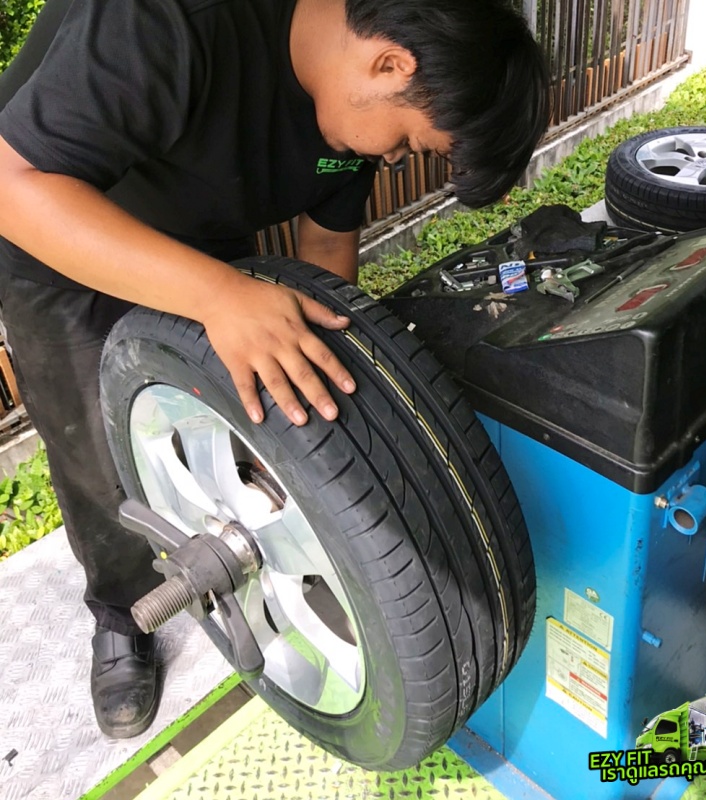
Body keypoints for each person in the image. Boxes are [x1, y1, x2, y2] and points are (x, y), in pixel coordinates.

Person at [0, 0, 550, 739]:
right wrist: (216, 294)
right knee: (99, 460)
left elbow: (325, 252)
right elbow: (11, 184)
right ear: (390, 64)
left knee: (244, 403)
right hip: (53, 233)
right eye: (407, 144)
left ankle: (236, 528)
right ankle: (122, 617)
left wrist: (328, 418)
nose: (394, 160)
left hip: (200, 237)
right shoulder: (169, 20)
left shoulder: (345, 115)